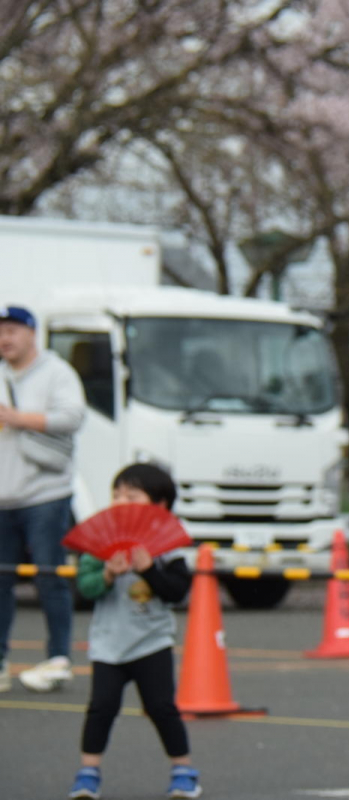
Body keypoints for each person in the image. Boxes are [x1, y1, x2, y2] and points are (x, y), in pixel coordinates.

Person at [69, 463, 201, 799]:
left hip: (152, 642)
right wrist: (108, 576)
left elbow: (177, 591)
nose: (120, 500)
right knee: (101, 707)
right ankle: (88, 773)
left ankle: (183, 770)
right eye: (116, 494)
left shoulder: (170, 544)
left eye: (131, 495)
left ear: (160, 505)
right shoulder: (101, 537)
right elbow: (85, 588)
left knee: (161, 707)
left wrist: (148, 571)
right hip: (108, 644)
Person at [0, 305, 85, 693]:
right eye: (1, 330)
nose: (5, 338)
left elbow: (73, 416)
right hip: (4, 495)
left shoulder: (56, 371)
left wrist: (18, 417)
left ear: (32, 333)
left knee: (50, 576)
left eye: (13, 330)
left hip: (46, 493)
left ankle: (58, 658)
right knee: (1, 580)